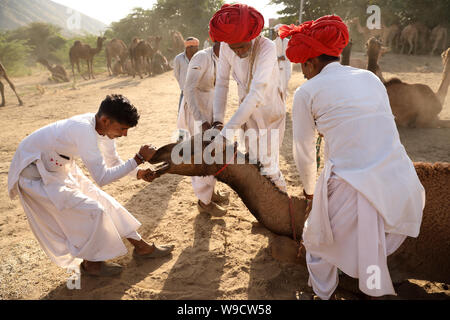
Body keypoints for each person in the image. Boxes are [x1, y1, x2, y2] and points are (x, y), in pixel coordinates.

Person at [280, 16, 425, 299]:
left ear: (310, 63)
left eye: (303, 67)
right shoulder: (370, 78)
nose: (303, 74)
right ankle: (368, 274)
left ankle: (324, 293)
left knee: (317, 240)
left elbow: (304, 153)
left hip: (353, 187)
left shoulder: (306, 92)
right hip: (402, 185)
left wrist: (311, 196)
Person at [7, 94, 174, 277]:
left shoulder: (103, 128)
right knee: (93, 211)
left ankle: (142, 248)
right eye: (122, 128)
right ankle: (91, 265)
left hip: (60, 167)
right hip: (35, 176)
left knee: (104, 201)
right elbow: (102, 178)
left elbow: (113, 161)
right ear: (105, 120)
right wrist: (138, 159)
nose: (124, 134)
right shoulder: (83, 130)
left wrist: (138, 173)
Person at [208, 3, 287, 191]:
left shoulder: (266, 47)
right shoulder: (227, 47)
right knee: (254, 164)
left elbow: (257, 93)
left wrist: (227, 132)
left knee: (269, 167)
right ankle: (268, 214)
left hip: (270, 114)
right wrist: (218, 122)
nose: (239, 52)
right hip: (246, 114)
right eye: (234, 48)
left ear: (252, 37)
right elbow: (221, 84)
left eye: (242, 47)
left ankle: (287, 214)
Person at [177, 41, 230, 217]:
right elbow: (188, 89)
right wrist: (201, 121)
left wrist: (218, 119)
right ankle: (204, 202)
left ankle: (211, 193)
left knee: (213, 152)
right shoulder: (202, 57)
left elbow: (221, 89)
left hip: (211, 109)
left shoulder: (223, 58)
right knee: (202, 155)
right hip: (196, 111)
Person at [173, 37, 200, 113]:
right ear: (188, 47)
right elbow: (176, 74)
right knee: (181, 115)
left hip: (199, 92)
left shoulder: (200, 57)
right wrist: (183, 85)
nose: (198, 49)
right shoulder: (178, 59)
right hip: (184, 92)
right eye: (196, 47)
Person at [273, 24, 292, 100]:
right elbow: (272, 55)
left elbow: (290, 54)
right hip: (277, 66)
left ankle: (283, 102)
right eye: (277, 32)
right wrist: (278, 58)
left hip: (287, 65)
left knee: (285, 83)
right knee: (277, 84)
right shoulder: (273, 43)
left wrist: (285, 57)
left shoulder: (288, 42)